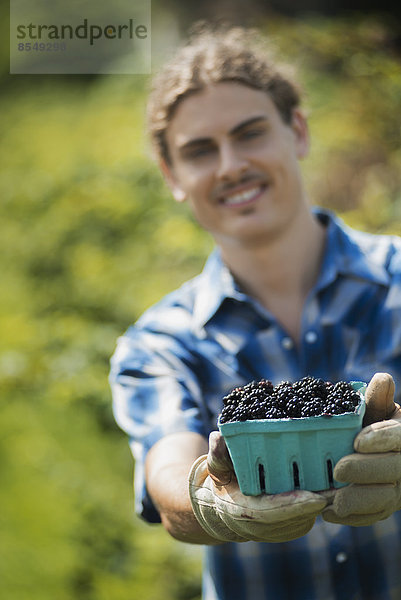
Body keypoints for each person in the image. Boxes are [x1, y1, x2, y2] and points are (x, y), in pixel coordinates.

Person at [109, 24, 401, 599]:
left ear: (297, 130)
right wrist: (210, 503)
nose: (230, 166)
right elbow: (169, 474)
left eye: (250, 134)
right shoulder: (161, 344)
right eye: (199, 151)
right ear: (172, 176)